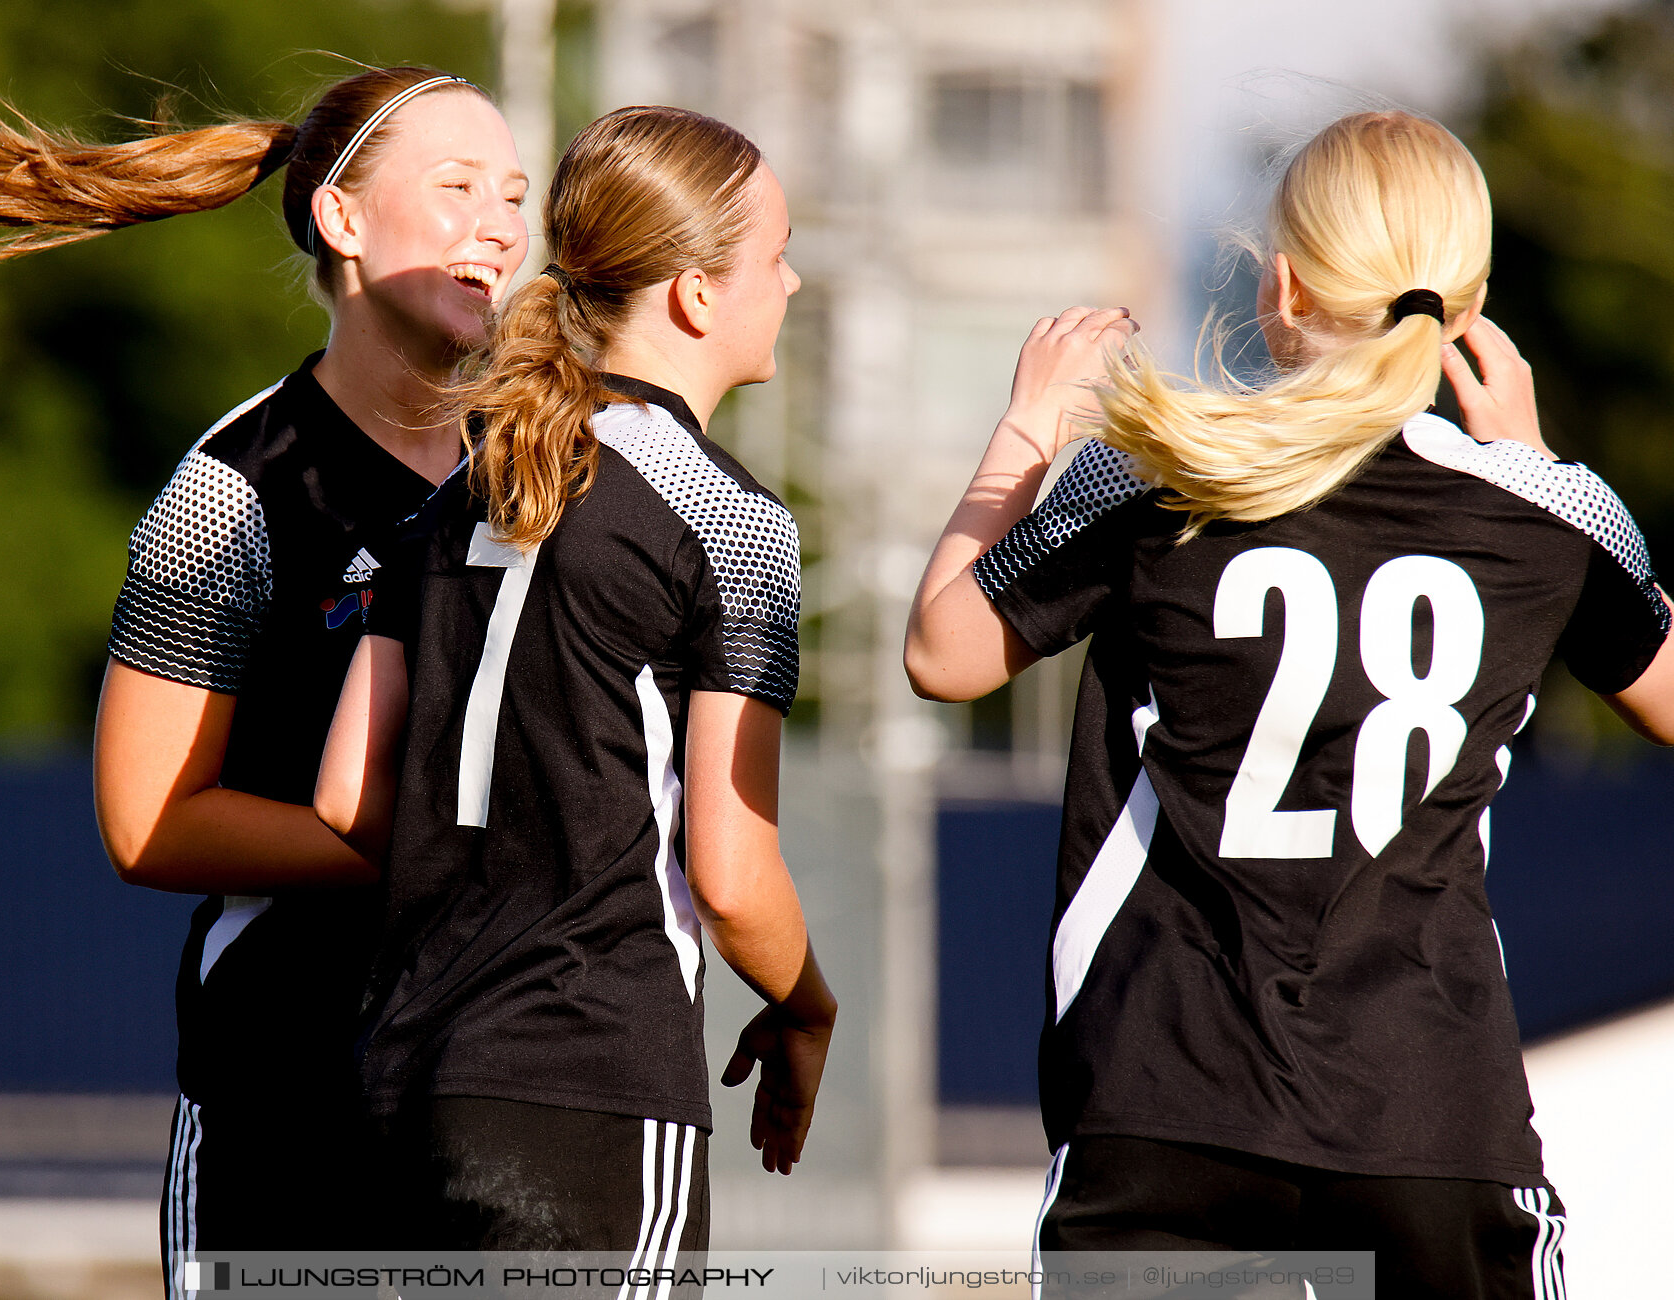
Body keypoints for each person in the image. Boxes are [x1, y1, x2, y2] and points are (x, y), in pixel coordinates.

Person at [906, 110, 1674, 1298]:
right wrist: (1532, 463)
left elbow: (944, 651)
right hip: (1430, 1111)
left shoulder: (1166, 469)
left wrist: (1028, 426)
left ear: (1283, 287)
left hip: (1165, 1101)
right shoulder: (1551, 519)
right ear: (1467, 311)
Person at [0, 66, 529, 1284]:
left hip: (496, 1104)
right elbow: (150, 824)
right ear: (343, 222)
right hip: (283, 1104)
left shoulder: (537, 472)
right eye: (459, 186)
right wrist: (405, 843)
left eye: (515, 195)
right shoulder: (231, 491)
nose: (500, 227)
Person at [315, 104, 836, 1254]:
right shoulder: (730, 518)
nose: (793, 284)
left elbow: (347, 804)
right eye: (778, 253)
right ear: (696, 295)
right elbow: (734, 876)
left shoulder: (459, 491)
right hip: (589, 1087)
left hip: (400, 1086)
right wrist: (807, 1007)